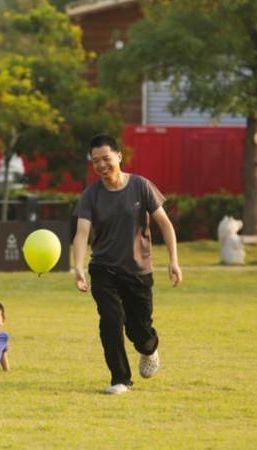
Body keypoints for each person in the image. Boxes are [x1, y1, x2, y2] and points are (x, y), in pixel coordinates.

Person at [72, 134, 182, 395]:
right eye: (95, 161)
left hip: (138, 271)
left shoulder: (141, 186)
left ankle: (149, 349)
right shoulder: (90, 195)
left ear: (119, 156)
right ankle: (120, 379)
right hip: (104, 269)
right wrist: (78, 266)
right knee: (110, 320)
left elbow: (165, 224)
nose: (101, 165)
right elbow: (81, 233)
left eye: (106, 159)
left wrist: (173, 260)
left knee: (138, 329)